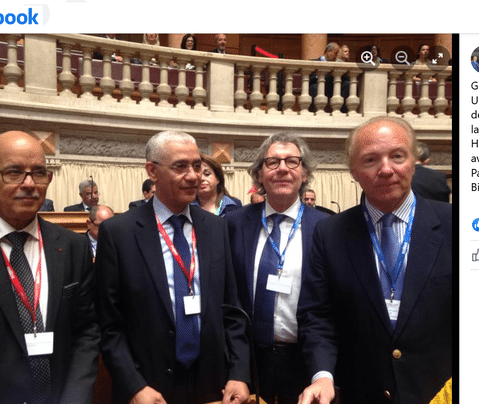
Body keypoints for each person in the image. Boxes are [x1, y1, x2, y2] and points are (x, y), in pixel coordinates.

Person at [297, 117, 452, 404]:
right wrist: (322, 376)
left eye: (397, 156)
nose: (386, 169)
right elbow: (317, 315)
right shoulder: (330, 233)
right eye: (370, 160)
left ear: (414, 161)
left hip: (439, 390)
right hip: (361, 392)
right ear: (353, 171)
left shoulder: (454, 225)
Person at [95, 131, 251, 404]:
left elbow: (232, 310)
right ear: (152, 171)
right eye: (180, 166)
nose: (193, 176)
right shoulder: (119, 232)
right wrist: (134, 386)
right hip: (147, 386)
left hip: (212, 386)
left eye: (197, 167)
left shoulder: (217, 228)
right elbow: (109, 325)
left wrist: (239, 373)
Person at [226, 133, 328, 404]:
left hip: (305, 360)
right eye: (272, 162)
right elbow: (228, 300)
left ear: (304, 174)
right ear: (259, 175)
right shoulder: (233, 225)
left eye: (292, 161)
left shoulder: (327, 227)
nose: (282, 168)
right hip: (248, 361)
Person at [0, 130, 99, 403]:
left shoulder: (72, 246)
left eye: (39, 173)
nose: (29, 183)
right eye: (14, 172)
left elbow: (87, 331)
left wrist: (75, 398)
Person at [309, 43, 349, 113]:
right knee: (314, 87)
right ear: (329, 51)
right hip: (319, 88)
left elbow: (346, 78)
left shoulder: (337, 63)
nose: (336, 57)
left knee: (347, 84)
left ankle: (342, 111)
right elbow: (310, 79)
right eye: (335, 53)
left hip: (333, 89)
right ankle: (315, 111)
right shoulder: (314, 62)